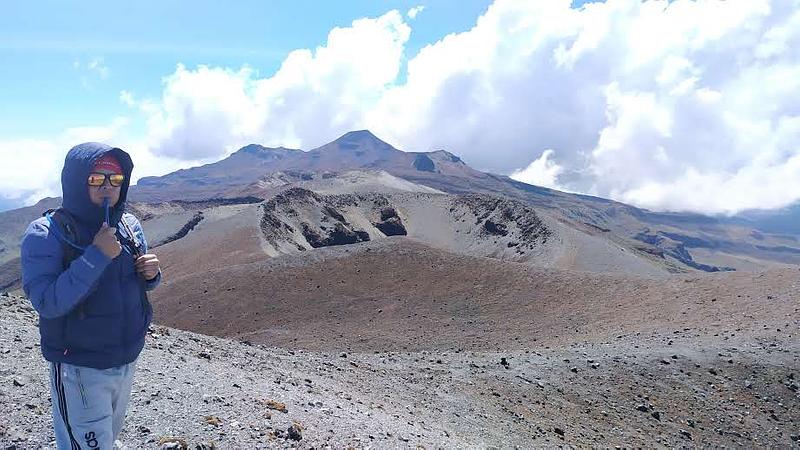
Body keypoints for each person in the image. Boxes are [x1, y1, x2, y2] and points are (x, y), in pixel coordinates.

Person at [20, 143, 161, 449]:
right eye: (96, 179)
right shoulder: (45, 233)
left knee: (106, 439)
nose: (108, 187)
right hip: (79, 367)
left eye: (116, 179)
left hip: (125, 358)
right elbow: (47, 302)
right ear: (76, 180)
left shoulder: (129, 225)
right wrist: (96, 255)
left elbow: (132, 285)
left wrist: (151, 275)